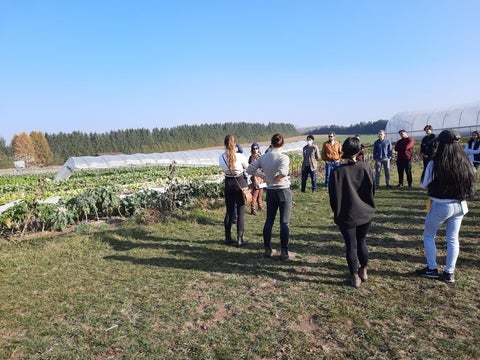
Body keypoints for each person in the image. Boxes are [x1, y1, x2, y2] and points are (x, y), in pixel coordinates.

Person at [416, 130, 475, 283]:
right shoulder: (466, 161)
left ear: (440, 144)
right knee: (453, 239)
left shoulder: (435, 163)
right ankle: (449, 272)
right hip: (460, 205)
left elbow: (423, 184)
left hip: (441, 204)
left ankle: (432, 268)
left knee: (429, 235)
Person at [328, 137, 375, 288]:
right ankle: (364, 270)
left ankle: (355, 276)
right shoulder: (365, 167)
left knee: (351, 245)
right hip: (365, 213)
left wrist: (337, 211)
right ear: (359, 150)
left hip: (346, 214)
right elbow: (372, 190)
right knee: (362, 241)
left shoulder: (337, 172)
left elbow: (333, 196)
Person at [246, 133, 292, 260]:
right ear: (282, 144)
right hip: (283, 191)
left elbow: (249, 170)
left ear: (271, 143)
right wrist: (277, 178)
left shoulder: (264, 157)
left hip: (270, 191)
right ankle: (284, 251)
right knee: (284, 222)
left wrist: (263, 176)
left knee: (269, 221)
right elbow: (283, 172)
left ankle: (267, 249)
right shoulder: (284, 158)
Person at [219, 135, 249, 247]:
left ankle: (227, 237)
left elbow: (224, 169)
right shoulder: (240, 156)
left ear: (225, 144)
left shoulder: (221, 157)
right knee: (241, 212)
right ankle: (240, 239)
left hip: (228, 183)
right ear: (235, 144)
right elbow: (248, 167)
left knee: (229, 211)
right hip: (240, 182)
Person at [248, 142, 264, 215]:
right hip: (255, 176)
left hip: (261, 176)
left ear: (258, 149)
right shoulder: (251, 158)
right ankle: (253, 209)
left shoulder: (260, 156)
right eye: (254, 149)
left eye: (256, 148)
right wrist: (254, 179)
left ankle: (260, 206)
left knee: (260, 193)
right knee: (255, 193)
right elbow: (252, 170)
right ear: (252, 149)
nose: (255, 150)